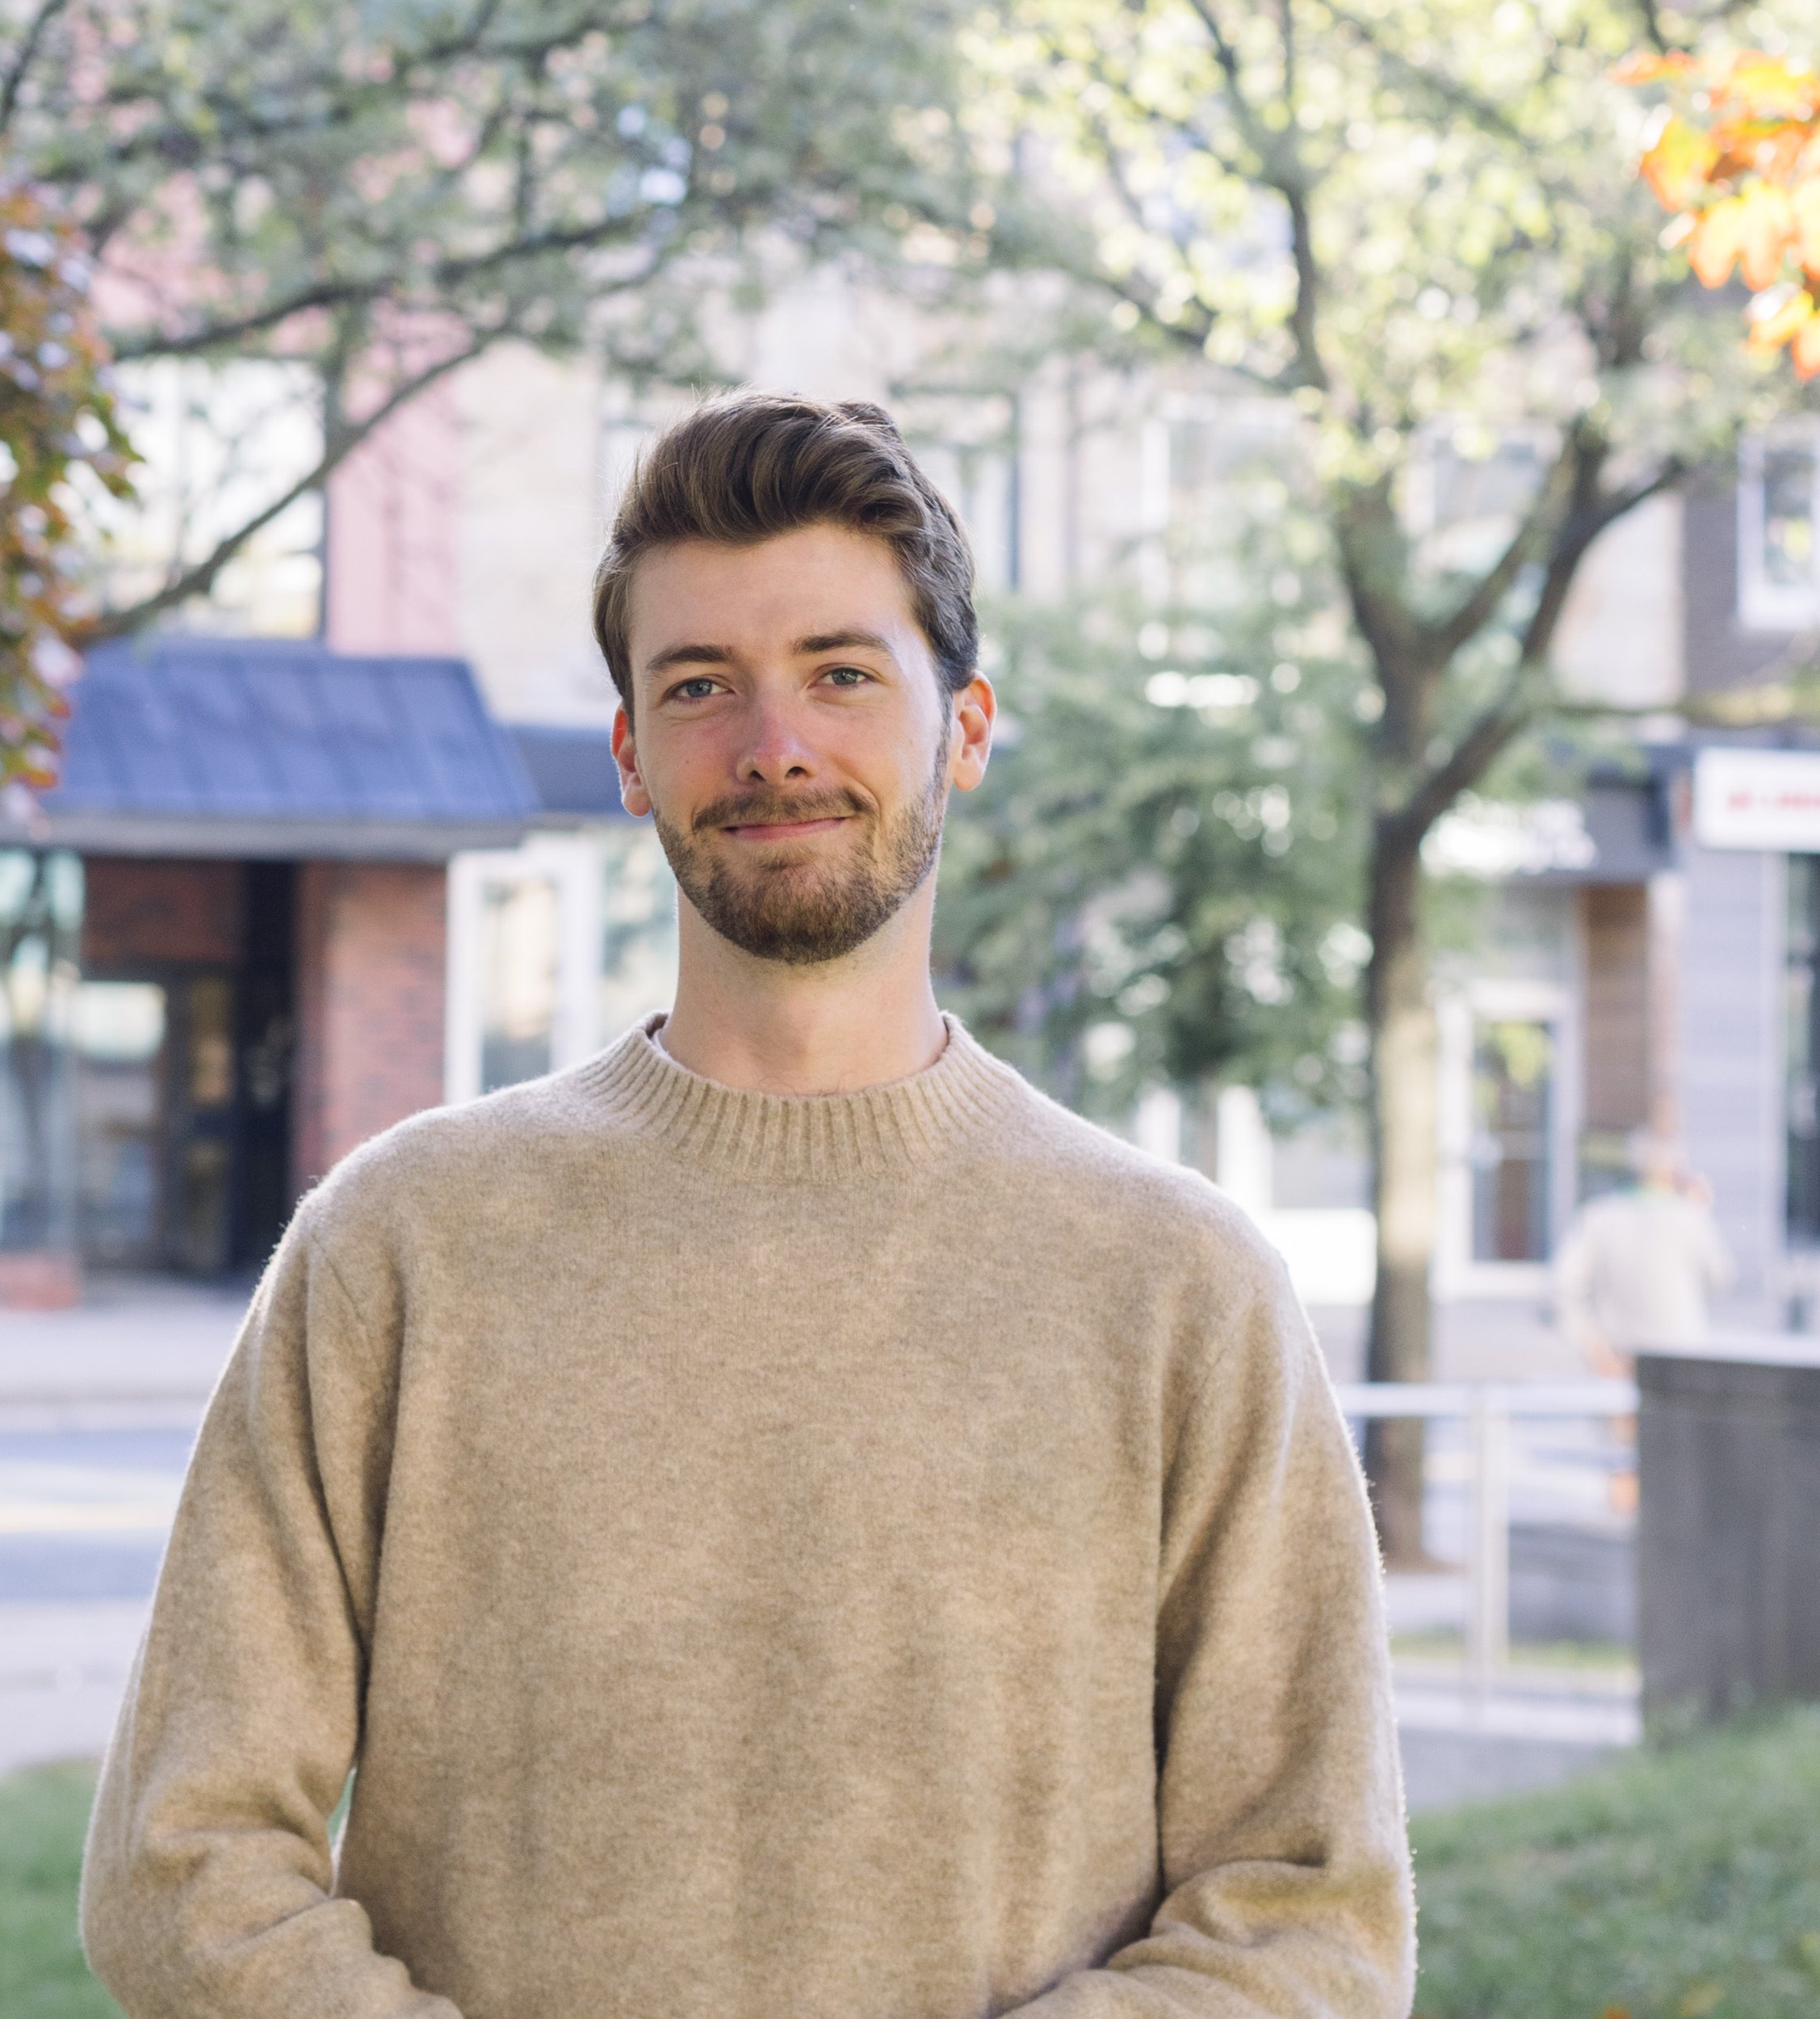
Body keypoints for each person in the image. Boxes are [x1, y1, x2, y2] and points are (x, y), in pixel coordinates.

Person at [81, 393, 1413, 2019]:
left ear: (966, 726)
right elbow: (184, 1855)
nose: (772, 745)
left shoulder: (1176, 1282)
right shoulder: (402, 1244)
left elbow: (1307, 1914)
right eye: (700, 685)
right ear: (631, 754)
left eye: (841, 673)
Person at [1554, 1131, 1734, 1374]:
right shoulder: (1691, 1218)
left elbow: (1562, 1287)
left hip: (1618, 1356)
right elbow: (1721, 1277)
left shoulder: (1597, 1217)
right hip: (1681, 1355)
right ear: (1675, 1173)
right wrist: (1702, 1211)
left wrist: (1591, 1342)